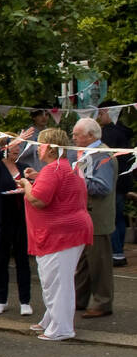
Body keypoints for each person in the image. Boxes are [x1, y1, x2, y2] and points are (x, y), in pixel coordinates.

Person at [13, 128, 92, 342]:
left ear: (48, 147)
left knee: (56, 282)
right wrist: (36, 179)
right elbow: (57, 191)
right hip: (71, 229)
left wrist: (27, 184)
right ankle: (51, 320)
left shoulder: (53, 170)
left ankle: (62, 328)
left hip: (60, 232)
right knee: (58, 279)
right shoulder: (66, 167)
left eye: (40, 145)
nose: (37, 149)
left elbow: (39, 200)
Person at [71, 117, 115, 319]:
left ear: (90, 136)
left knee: (99, 262)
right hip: (85, 216)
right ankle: (78, 299)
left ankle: (102, 303)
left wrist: (76, 181)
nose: (73, 137)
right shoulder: (89, 153)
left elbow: (103, 187)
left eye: (76, 134)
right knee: (83, 263)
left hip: (97, 218)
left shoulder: (102, 155)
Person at [0, 139, 33, 316]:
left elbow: (32, 187)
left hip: (21, 219)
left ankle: (25, 301)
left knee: (22, 260)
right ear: (3, 150)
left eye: (19, 147)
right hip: (1, 219)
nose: (17, 150)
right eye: (13, 147)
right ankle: (1, 300)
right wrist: (4, 146)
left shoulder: (24, 166)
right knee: (1, 260)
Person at [99, 101, 132, 267]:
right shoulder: (124, 132)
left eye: (101, 113)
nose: (99, 117)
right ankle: (119, 252)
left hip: (113, 180)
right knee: (118, 217)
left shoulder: (109, 134)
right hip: (124, 180)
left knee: (111, 217)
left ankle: (116, 252)